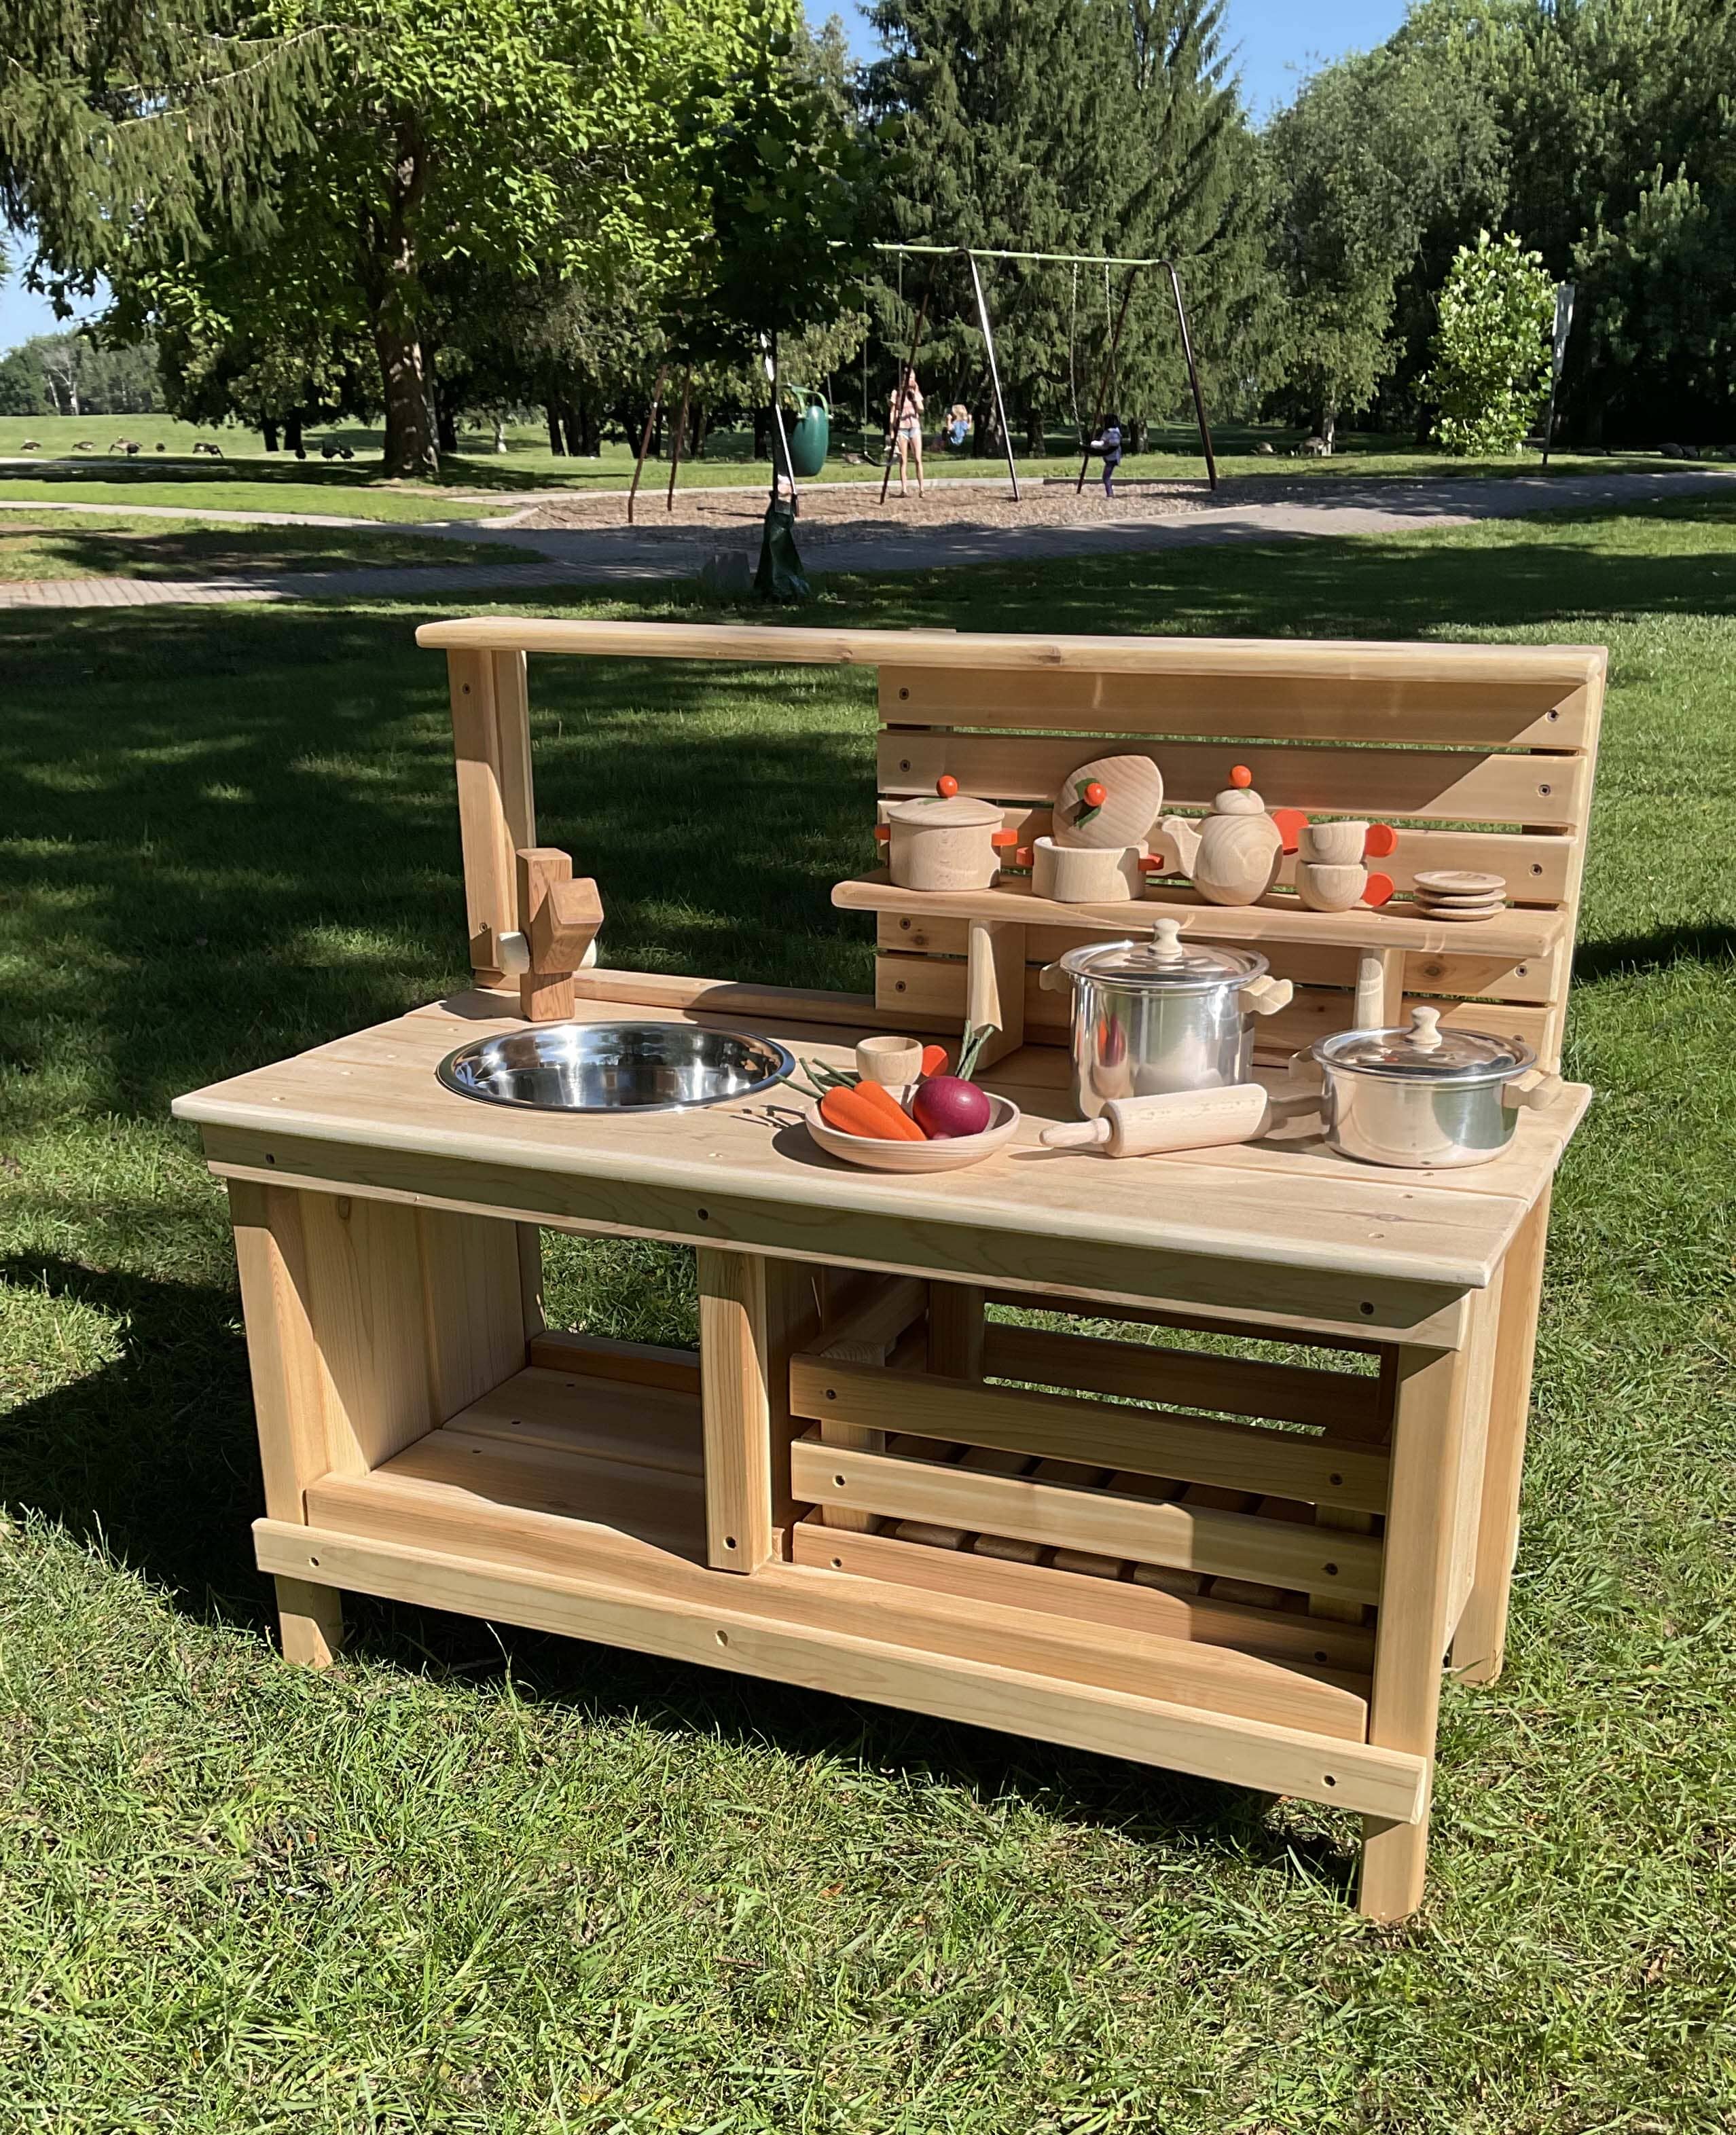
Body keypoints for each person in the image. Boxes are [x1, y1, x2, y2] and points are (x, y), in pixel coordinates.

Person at [887, 366, 926, 498]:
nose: (911, 380)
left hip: (914, 427)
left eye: (913, 378)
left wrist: (915, 395)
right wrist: (892, 431)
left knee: (918, 459)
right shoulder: (896, 393)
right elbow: (892, 412)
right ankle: (904, 489)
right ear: (904, 379)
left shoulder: (915, 392)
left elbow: (921, 409)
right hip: (902, 429)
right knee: (903, 460)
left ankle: (922, 489)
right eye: (909, 378)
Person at [1089, 413, 1123, 499]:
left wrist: (1094, 444)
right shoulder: (1108, 432)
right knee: (1106, 477)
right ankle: (1110, 493)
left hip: (1112, 458)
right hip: (1109, 457)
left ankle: (1110, 494)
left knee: (1106, 477)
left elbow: (1113, 444)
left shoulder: (1113, 432)